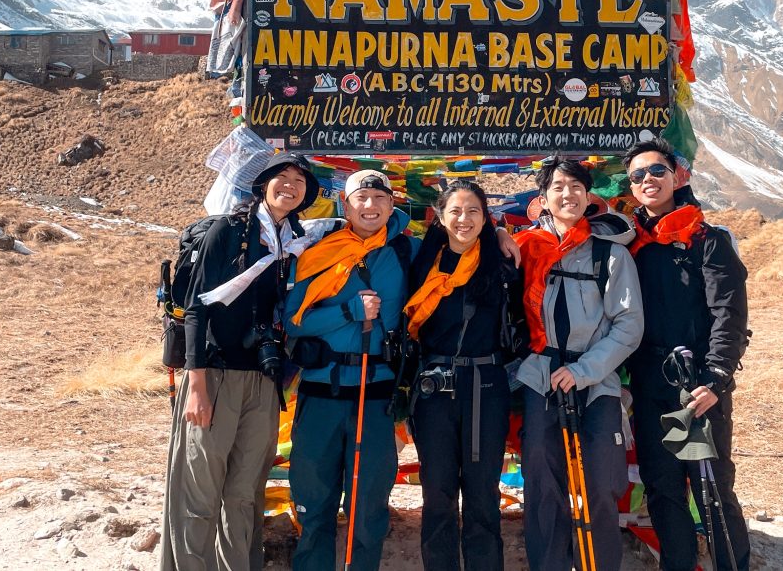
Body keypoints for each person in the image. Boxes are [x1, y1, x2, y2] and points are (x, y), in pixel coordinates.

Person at [160, 152, 321, 571]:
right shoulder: (227, 231)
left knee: (245, 491)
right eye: (282, 176)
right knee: (200, 491)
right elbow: (196, 309)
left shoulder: (297, 243)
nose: (290, 184)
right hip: (213, 375)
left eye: (300, 180)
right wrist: (196, 386)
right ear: (263, 183)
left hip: (263, 382)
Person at [623, 137, 751, 571]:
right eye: (637, 175)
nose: (647, 180)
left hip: (698, 386)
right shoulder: (630, 245)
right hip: (650, 382)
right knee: (662, 487)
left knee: (711, 488)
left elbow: (729, 314)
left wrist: (716, 378)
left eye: (656, 170)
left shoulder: (708, 241)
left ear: (678, 176)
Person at [516, 156, 644, 571]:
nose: (567, 194)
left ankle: (599, 564)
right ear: (543, 198)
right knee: (542, 482)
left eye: (576, 187)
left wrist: (584, 370)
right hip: (541, 378)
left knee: (600, 483)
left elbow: (628, 325)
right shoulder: (525, 248)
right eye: (558, 187)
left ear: (589, 196)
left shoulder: (610, 255)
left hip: (596, 382)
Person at [284, 168, 412, 571]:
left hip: (375, 397)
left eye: (379, 198)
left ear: (392, 204)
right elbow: (293, 321)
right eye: (361, 198)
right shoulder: (317, 252)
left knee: (368, 506)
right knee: (313, 501)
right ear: (346, 204)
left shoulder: (410, 251)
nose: (370, 206)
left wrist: (499, 235)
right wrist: (349, 311)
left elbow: (463, 246)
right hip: (321, 393)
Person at [404, 180, 523, 571]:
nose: (464, 219)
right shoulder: (423, 261)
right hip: (434, 388)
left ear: (485, 216)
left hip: (486, 387)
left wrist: (502, 229)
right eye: (455, 210)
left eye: (474, 210)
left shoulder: (502, 262)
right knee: (437, 493)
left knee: (483, 492)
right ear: (439, 217)